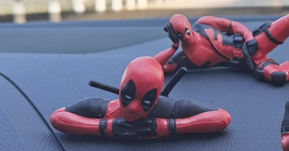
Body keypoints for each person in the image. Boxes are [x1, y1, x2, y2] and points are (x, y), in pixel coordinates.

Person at [50, 57, 231, 138]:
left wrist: (168, 126)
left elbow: (222, 117)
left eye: (146, 101)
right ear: (122, 87)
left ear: (156, 98)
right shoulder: (100, 108)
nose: (134, 108)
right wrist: (108, 127)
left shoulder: (170, 109)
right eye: (128, 96)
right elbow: (58, 117)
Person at [154, 12, 289, 85]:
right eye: (180, 35)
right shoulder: (185, 58)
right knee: (279, 77)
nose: (186, 36)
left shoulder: (203, 24)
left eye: (186, 31)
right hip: (250, 63)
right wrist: (174, 46)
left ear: (189, 25)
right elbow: (158, 66)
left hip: (253, 44)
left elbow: (233, 26)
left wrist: (249, 38)